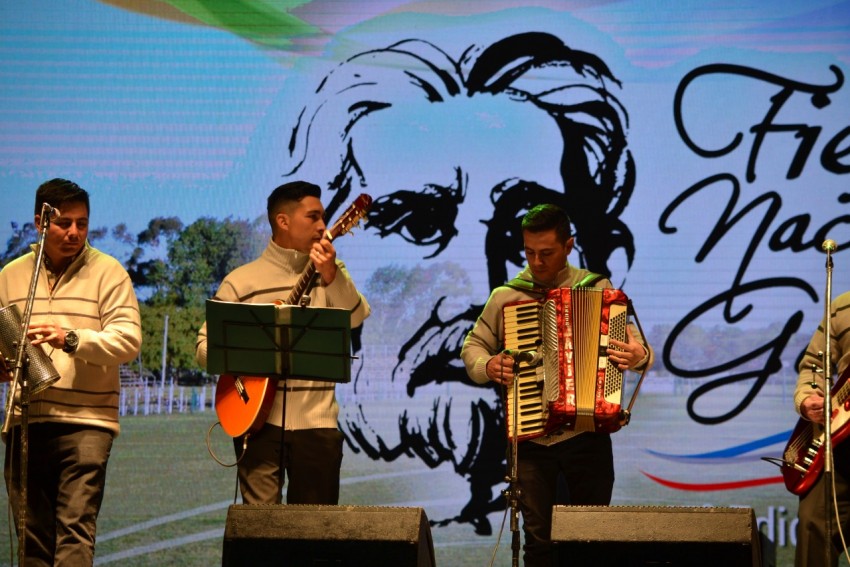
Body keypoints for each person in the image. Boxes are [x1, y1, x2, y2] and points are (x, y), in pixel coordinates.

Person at [460, 203, 653, 566]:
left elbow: (637, 345)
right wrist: (489, 365)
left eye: (546, 253)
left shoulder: (597, 288)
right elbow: (472, 346)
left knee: (590, 541)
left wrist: (638, 355)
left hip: (587, 434)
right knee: (538, 545)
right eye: (529, 252)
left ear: (568, 246)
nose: (536, 262)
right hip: (531, 439)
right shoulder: (506, 296)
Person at [195, 180, 370, 505]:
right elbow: (204, 348)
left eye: (325, 218)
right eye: (313, 217)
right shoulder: (240, 281)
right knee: (261, 536)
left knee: (315, 536)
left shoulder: (333, 272)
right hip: (255, 421)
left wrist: (331, 274)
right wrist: (246, 357)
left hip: (318, 427)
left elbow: (357, 317)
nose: (323, 226)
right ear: (283, 221)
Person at [0, 178, 142, 566]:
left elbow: (129, 341)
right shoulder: (11, 275)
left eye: (82, 223)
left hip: (87, 422)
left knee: (75, 532)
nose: (75, 232)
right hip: (24, 422)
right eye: (65, 223)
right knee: (29, 537)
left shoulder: (109, 272)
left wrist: (71, 339)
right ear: (40, 222)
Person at [794, 291, 850, 567]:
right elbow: (815, 366)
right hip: (841, 444)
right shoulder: (842, 305)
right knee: (813, 521)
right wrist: (808, 399)